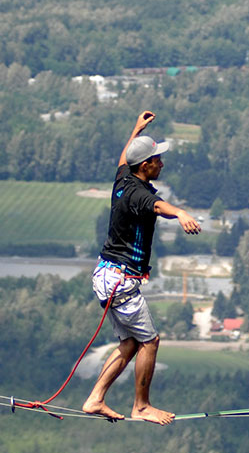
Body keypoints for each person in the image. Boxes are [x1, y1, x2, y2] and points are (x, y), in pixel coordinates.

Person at [82, 111, 201, 424]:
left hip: (105, 275)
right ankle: (142, 405)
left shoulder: (123, 178)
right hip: (120, 280)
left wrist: (136, 129)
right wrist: (181, 214)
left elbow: (124, 157)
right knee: (150, 341)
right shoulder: (137, 194)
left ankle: (95, 398)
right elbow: (158, 206)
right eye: (157, 159)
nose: (161, 163)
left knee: (131, 342)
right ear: (145, 165)